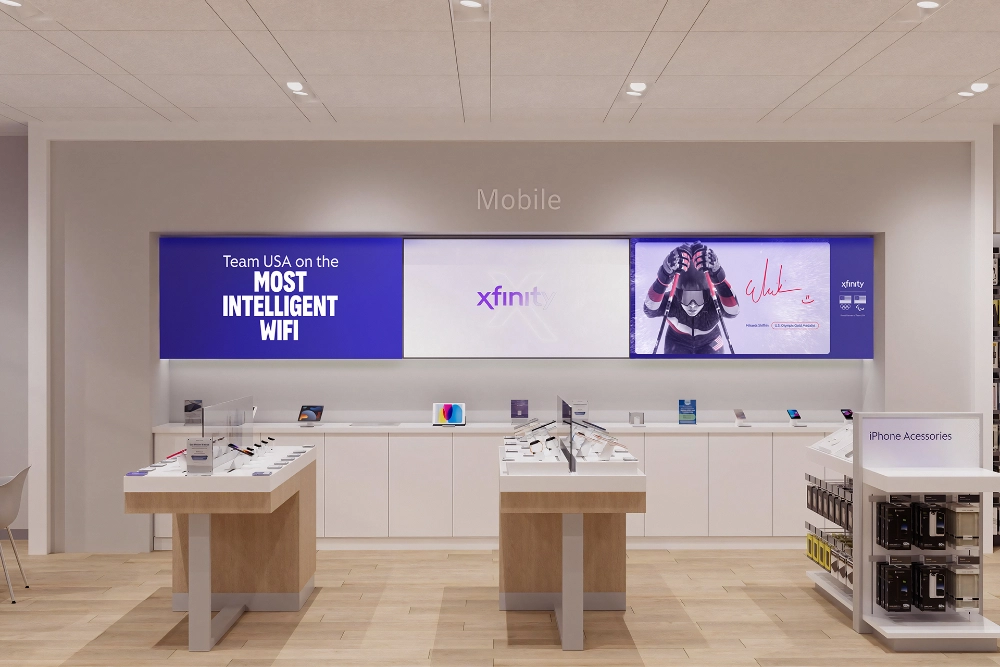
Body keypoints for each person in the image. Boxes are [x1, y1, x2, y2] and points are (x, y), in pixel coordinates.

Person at [643, 242, 739, 354]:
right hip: (677, 341)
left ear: (708, 294)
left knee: (713, 370)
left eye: (698, 297)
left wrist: (718, 275)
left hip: (710, 341)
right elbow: (649, 310)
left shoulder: (713, 300)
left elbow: (733, 312)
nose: (692, 305)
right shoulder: (673, 300)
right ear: (677, 295)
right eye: (686, 297)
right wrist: (663, 275)